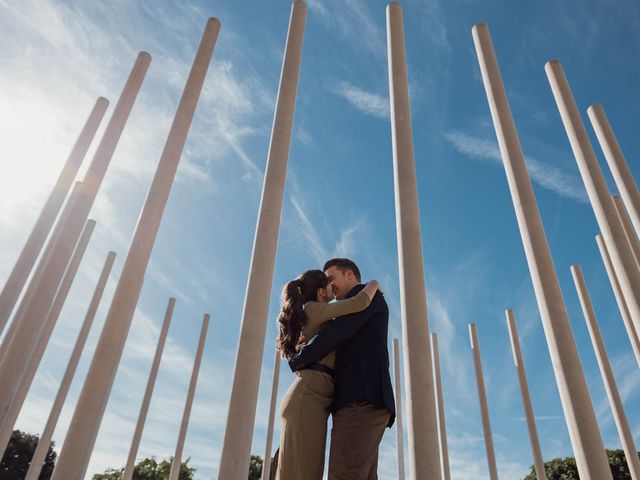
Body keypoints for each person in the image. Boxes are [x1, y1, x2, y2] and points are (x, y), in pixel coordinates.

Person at [289, 258, 395, 480]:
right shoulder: (356, 303)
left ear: (349, 275)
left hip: (361, 398)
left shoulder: (366, 297)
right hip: (361, 399)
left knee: (344, 474)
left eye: (331, 278)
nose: (330, 285)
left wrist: (297, 359)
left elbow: (331, 336)